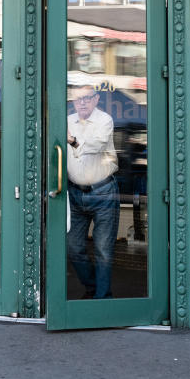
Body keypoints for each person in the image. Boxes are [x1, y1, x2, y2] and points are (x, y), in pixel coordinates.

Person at [65, 83, 118, 299]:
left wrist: (74, 141)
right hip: (74, 193)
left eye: (87, 98)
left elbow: (97, 144)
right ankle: (93, 287)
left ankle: (101, 298)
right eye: (78, 99)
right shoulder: (66, 121)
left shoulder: (104, 120)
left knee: (103, 250)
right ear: (73, 102)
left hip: (103, 192)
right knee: (73, 247)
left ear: (96, 99)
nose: (83, 102)